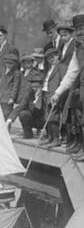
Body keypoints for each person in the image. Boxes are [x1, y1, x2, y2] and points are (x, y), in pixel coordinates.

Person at [52, 14, 84, 160]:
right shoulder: (78, 47)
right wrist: (58, 92)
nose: (80, 32)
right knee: (77, 114)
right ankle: (80, 145)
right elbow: (72, 72)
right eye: (77, 29)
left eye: (82, 28)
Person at [7, 72, 44, 139]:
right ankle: (28, 134)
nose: (35, 89)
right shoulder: (29, 93)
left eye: (37, 87)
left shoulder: (45, 95)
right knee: (23, 113)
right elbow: (21, 106)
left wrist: (39, 97)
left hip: (43, 119)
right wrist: (10, 119)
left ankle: (50, 135)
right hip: (33, 119)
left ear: (41, 86)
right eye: (33, 87)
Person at [41, 48, 66, 148]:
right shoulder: (49, 68)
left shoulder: (62, 67)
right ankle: (50, 137)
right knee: (47, 116)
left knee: (53, 116)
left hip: (54, 95)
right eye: (48, 58)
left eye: (53, 57)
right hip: (46, 94)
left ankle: (56, 138)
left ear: (57, 56)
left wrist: (58, 95)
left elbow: (63, 83)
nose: (51, 59)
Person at [0, 53, 21, 120]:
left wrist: (12, 98)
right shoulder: (3, 70)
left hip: (8, 98)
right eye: (7, 63)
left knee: (6, 115)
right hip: (0, 95)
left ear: (15, 64)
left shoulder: (17, 73)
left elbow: (15, 87)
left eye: (11, 63)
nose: (9, 65)